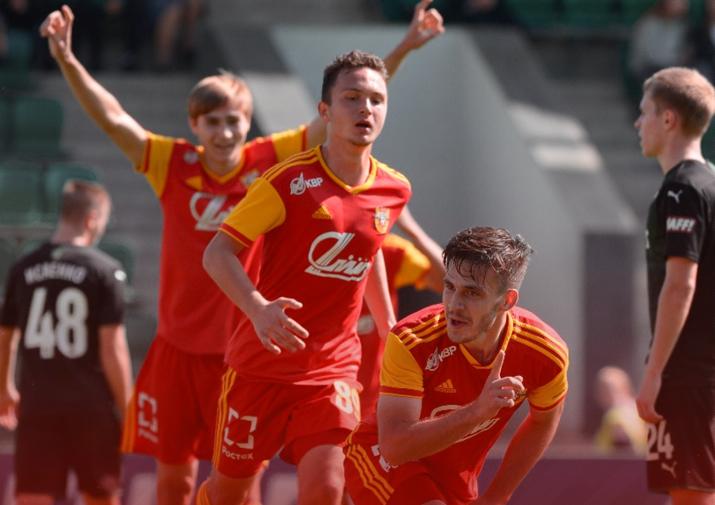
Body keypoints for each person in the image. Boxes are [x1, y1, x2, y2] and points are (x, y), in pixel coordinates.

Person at [39, 3, 443, 504]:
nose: (225, 132)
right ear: (194, 125)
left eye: (235, 121)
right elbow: (115, 118)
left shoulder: (268, 161)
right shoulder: (174, 163)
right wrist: (67, 59)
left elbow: (352, 105)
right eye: (213, 122)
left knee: (306, 486)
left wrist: (402, 48)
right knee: (180, 484)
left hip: (279, 348)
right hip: (189, 350)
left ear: (249, 123)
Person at [198, 49, 412, 505]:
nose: (365, 109)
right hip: (261, 367)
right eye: (352, 98)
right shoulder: (285, 182)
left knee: (327, 488)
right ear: (325, 111)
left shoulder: (394, 189)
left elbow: (368, 249)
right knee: (227, 495)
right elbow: (217, 254)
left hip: (332, 371)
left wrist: (389, 326)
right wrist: (258, 309)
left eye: (376, 100)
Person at [343, 226, 569, 505]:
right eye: (449, 287)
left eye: (472, 293)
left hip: (454, 478)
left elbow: (544, 420)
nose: (454, 305)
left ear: (507, 301)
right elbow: (395, 447)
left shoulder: (546, 352)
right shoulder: (412, 339)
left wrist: (496, 497)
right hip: (381, 456)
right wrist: (478, 411)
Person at [0, 180, 132, 505]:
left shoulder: (23, 267)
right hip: (91, 406)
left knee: (33, 497)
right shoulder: (105, 270)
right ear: (91, 219)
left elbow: (6, 335)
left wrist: (4, 387)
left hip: (38, 404)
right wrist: (128, 407)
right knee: (101, 495)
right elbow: (112, 347)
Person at [633, 66, 715, 505]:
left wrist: (655, 373)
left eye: (644, 112)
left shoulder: (682, 190)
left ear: (668, 119)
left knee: (691, 495)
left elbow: (681, 285)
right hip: (704, 374)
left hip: (689, 376)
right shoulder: (710, 183)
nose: (637, 123)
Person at [357, 211, 445, 418]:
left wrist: (411, 229)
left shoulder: (390, 250)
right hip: (310, 387)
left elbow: (445, 280)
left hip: (371, 399)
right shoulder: (300, 246)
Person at [628, 0, 690, 86]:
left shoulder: (682, 26)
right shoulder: (649, 24)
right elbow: (650, 57)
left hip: (672, 70)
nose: (682, 5)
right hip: (647, 68)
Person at [593, 366, 647, 454]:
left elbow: (623, 444)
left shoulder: (616, 415)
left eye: (605, 389)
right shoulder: (639, 410)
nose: (601, 394)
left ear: (624, 389)